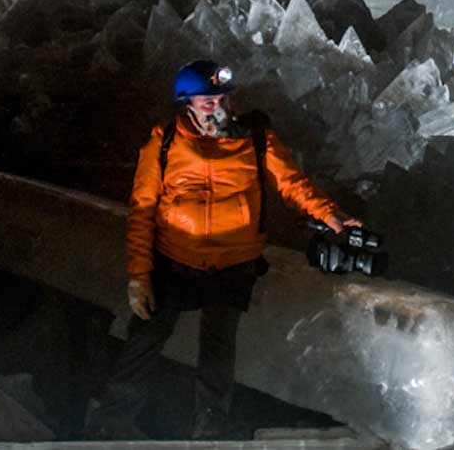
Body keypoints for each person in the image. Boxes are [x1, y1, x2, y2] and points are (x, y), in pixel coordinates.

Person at [84, 59, 361, 436]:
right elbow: (142, 209)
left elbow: (293, 184)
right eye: (207, 101)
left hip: (233, 265)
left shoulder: (256, 138)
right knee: (145, 341)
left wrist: (332, 216)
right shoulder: (164, 141)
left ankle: (210, 431)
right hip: (175, 261)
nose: (217, 106)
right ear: (188, 105)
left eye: (222, 98)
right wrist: (138, 276)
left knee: (217, 353)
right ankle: (111, 422)